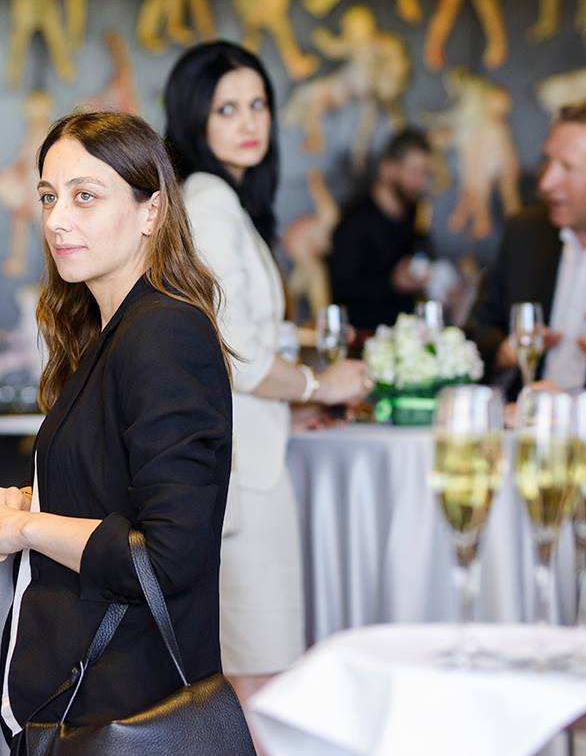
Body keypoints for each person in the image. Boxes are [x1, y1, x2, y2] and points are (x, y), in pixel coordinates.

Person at [0, 111, 253, 752]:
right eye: (48, 197)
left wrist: (26, 529)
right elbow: (116, 486)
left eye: (85, 196)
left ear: (151, 210)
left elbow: (168, 554)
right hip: (90, 694)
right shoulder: (113, 329)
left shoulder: (163, 333)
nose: (56, 220)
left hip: (126, 707)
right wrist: (35, 501)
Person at [162, 40, 368, 704]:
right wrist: (321, 383)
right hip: (241, 479)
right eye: (227, 109)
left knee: (251, 668)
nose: (249, 122)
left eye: (258, 105)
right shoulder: (209, 202)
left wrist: (291, 407)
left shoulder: (221, 201)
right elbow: (236, 351)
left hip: (245, 460)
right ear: (194, 117)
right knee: (260, 674)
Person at [466, 97, 586, 396]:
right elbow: (476, 331)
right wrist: (504, 351)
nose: (546, 183)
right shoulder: (525, 233)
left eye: (567, 168)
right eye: (547, 161)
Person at [328, 128, 436, 332]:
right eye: (415, 172)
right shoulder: (354, 221)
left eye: (426, 174)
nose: (421, 183)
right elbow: (342, 289)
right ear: (387, 168)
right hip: (364, 336)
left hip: (408, 334)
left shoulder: (415, 217)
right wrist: (392, 283)